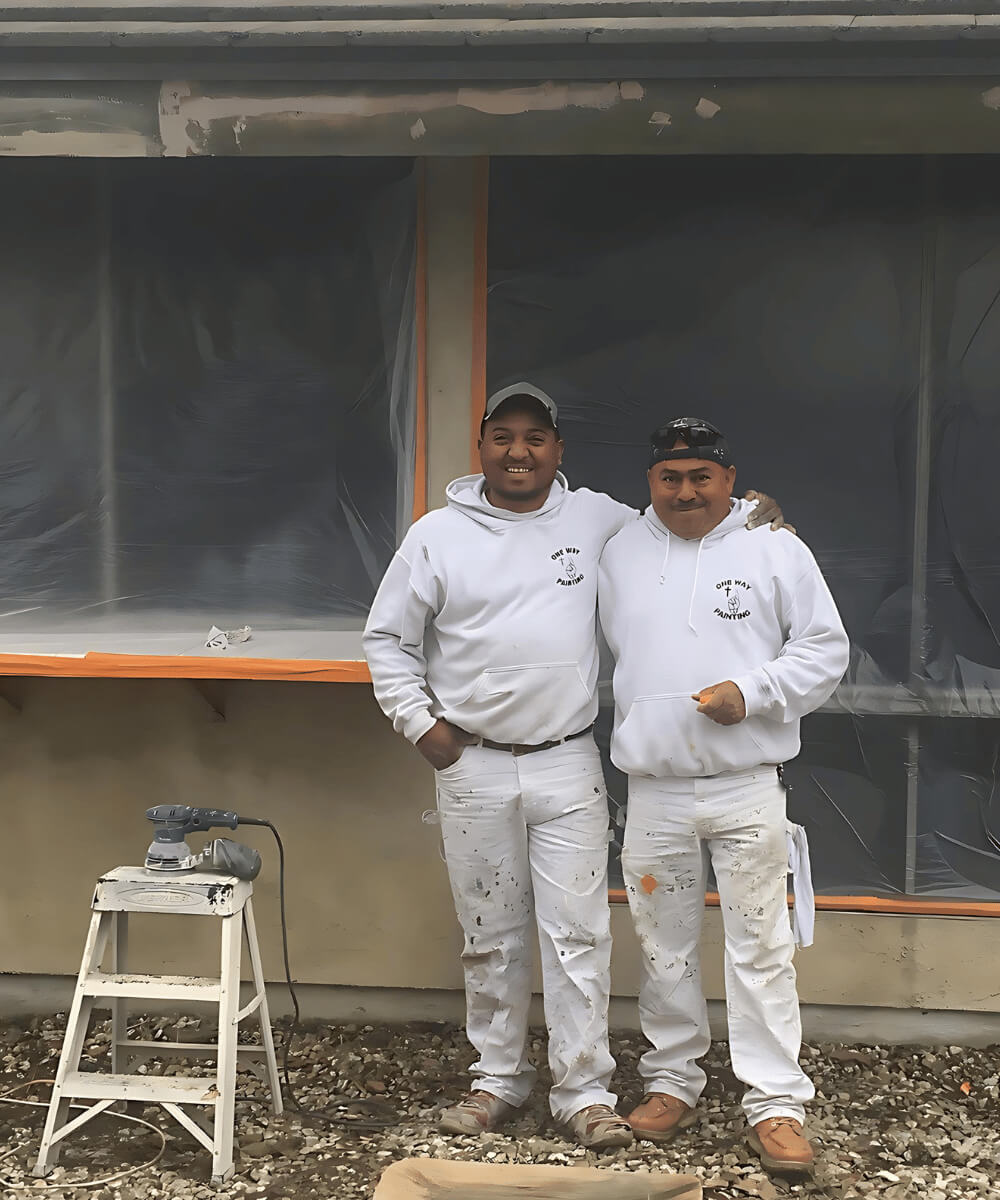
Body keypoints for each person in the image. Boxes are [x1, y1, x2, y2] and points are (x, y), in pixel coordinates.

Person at [363, 386, 785, 1149]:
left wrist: (757, 510)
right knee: (488, 930)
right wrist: (419, 723)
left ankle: (582, 1089)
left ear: (558, 449)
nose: (518, 451)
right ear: (482, 446)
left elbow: (687, 526)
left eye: (535, 437)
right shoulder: (436, 536)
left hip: (567, 762)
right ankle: (496, 1078)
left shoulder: (598, 521)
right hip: (471, 765)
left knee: (578, 932)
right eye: (502, 436)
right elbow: (387, 640)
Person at [597, 417, 849, 1177]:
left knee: (761, 950)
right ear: (650, 482)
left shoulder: (775, 547)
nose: (685, 491)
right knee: (663, 945)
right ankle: (673, 1079)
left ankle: (775, 1102)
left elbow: (824, 648)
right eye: (670, 477)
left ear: (730, 480)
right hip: (654, 789)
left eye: (701, 476)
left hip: (747, 788)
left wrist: (756, 691)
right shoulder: (619, 550)